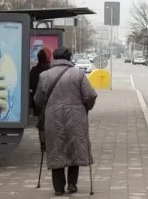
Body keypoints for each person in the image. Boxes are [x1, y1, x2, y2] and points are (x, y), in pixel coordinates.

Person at [34, 47, 97, 196]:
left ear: (55, 58)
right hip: (76, 117)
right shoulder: (78, 74)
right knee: (74, 148)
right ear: (69, 58)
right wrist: (86, 108)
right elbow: (90, 95)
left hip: (52, 118)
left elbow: (38, 100)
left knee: (56, 149)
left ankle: (58, 188)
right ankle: (72, 184)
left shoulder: (44, 76)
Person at [29, 49, 50, 117]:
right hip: (49, 101)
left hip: (37, 101)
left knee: (40, 119)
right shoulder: (51, 69)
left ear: (38, 58)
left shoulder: (34, 70)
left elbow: (30, 84)